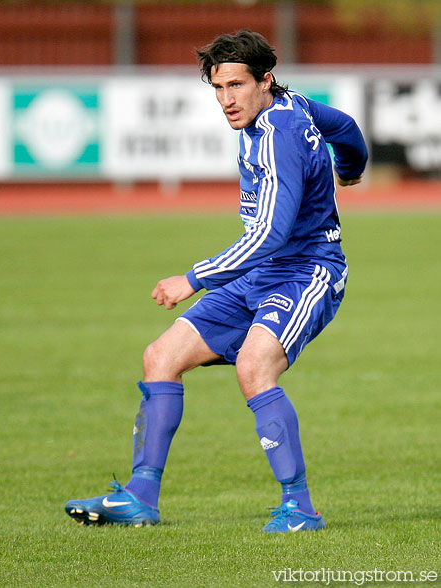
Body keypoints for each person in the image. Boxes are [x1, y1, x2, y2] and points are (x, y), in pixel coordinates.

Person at [65, 29, 368, 533]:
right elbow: (347, 126)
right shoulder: (293, 104)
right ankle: (140, 496)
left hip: (307, 271)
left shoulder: (277, 134)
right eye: (218, 87)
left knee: (253, 367)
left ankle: (301, 508)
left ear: (264, 80)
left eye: (235, 86)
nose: (227, 100)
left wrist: (194, 277)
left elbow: (270, 233)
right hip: (261, 272)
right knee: (160, 357)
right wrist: (351, 169)